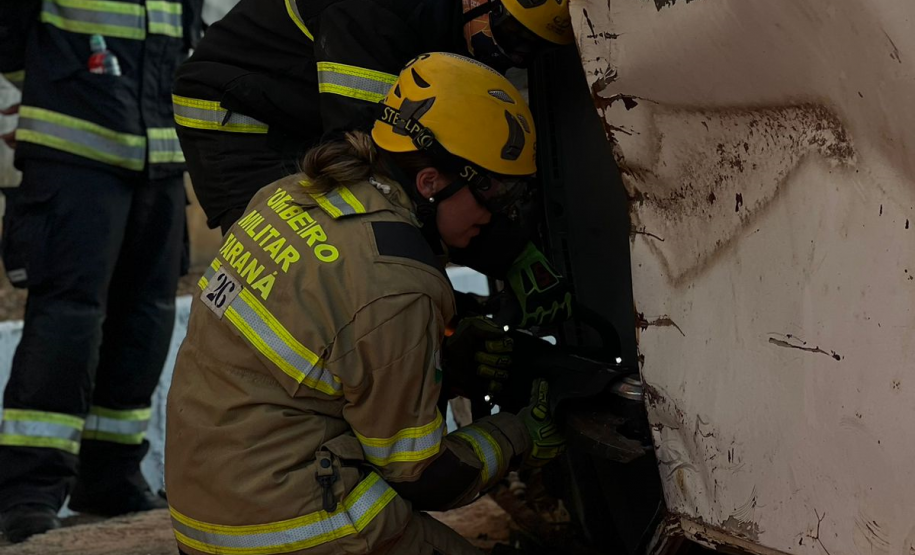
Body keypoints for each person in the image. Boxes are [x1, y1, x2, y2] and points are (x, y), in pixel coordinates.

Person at [165, 52, 565, 555]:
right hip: (288, 531)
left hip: (210, 515)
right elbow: (424, 477)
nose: (499, 214)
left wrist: (443, 357)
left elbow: (333, 348)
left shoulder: (290, 195)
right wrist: (518, 434)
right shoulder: (397, 286)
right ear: (431, 182)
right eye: (491, 192)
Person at [173, 0, 575, 329]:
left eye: (531, 50)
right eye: (512, 36)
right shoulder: (375, 11)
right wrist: (505, 251)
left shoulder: (458, 22)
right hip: (240, 119)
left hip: (306, 108)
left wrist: (510, 246)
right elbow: (373, 160)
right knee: (297, 272)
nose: (512, 55)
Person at [0, 0, 202, 543]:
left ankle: (110, 476)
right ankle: (26, 491)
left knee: (147, 320)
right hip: (72, 150)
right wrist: (58, 83)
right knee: (68, 323)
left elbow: (183, 41)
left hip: (158, 154)